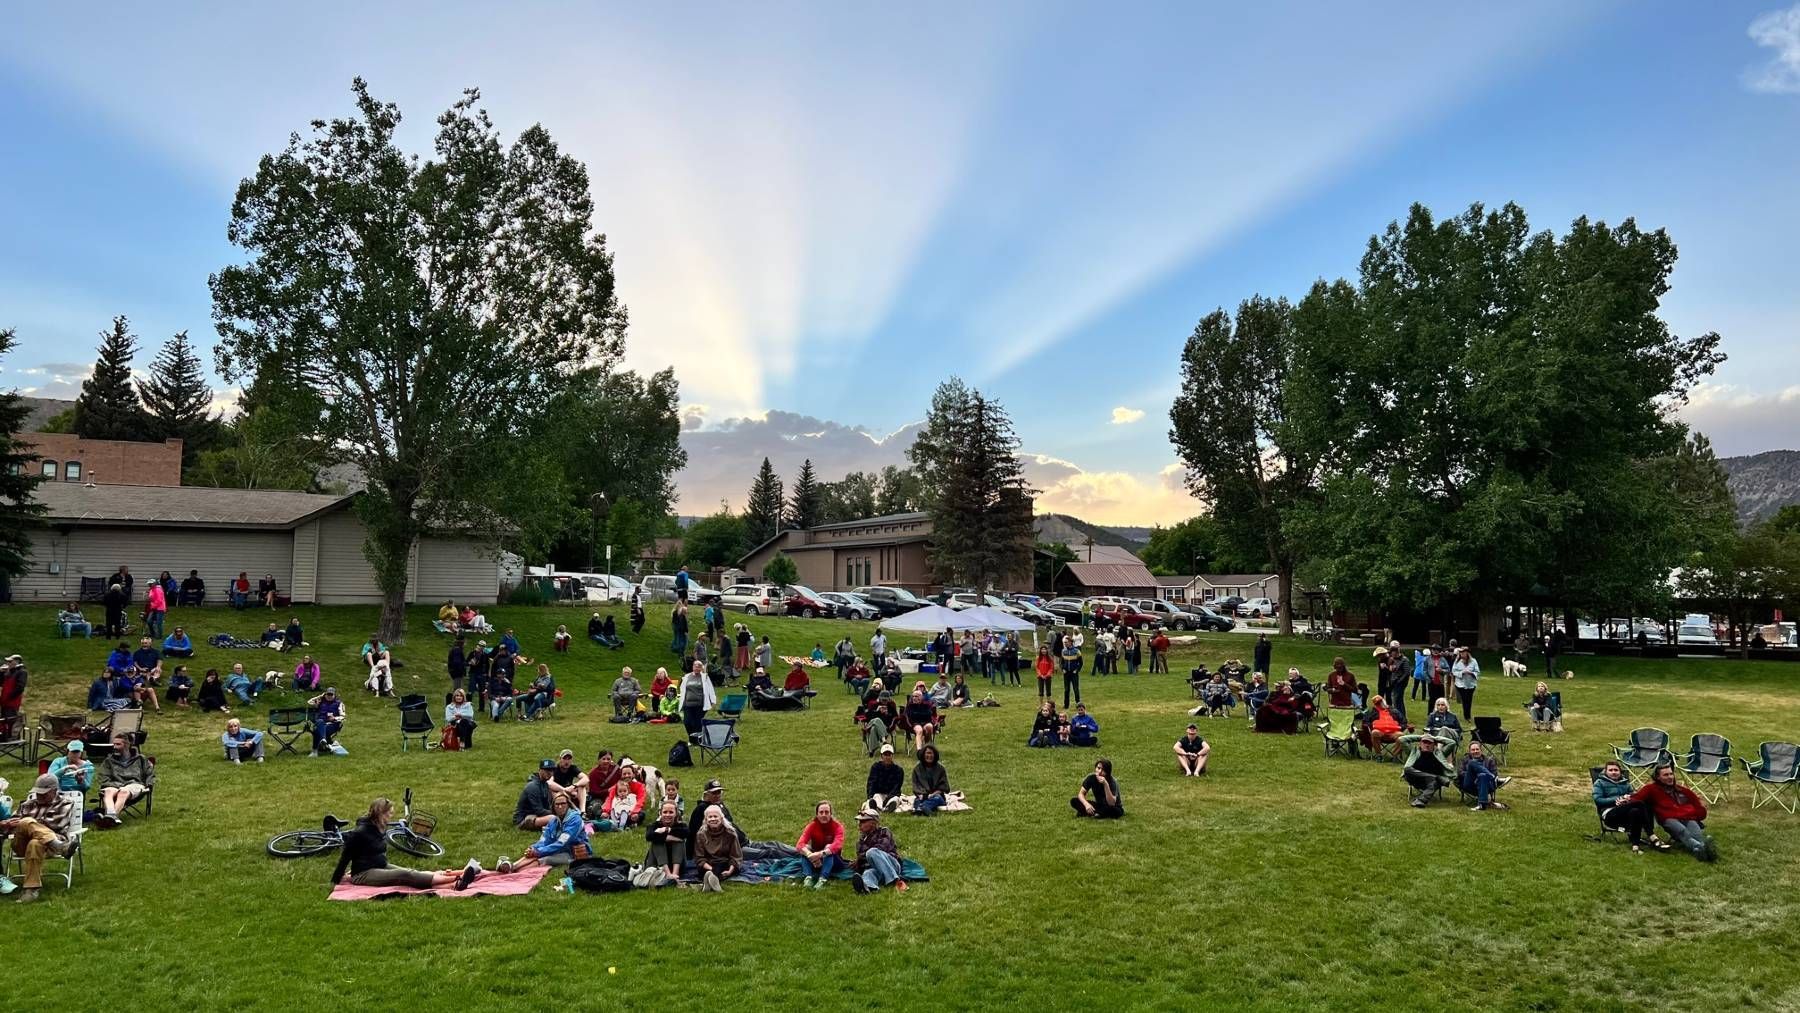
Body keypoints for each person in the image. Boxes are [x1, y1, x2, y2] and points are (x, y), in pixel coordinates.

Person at [331, 797, 483, 891]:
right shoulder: (361, 832)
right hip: (363, 874)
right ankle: (458, 878)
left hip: (379, 866)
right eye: (389, 814)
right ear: (380, 814)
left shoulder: (379, 827)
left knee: (411, 872)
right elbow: (346, 856)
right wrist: (336, 879)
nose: (391, 817)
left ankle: (454, 885)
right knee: (405, 875)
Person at [0, 774, 78, 903]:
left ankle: (31, 890)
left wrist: (26, 822)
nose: (39, 796)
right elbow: (13, 827)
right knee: (26, 823)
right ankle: (60, 846)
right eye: (38, 793)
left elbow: (55, 825)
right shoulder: (26, 804)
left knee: (35, 843)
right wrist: (7, 824)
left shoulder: (65, 804)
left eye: (44, 793)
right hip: (21, 844)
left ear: (54, 791)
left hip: (47, 846)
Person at [1628, 764, 1716, 861]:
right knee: (1683, 831)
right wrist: (1625, 799)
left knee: (1696, 832)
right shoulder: (1651, 789)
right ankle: (1702, 848)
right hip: (1668, 819)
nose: (1670, 777)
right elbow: (1636, 799)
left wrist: (1698, 815)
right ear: (1658, 777)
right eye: (1665, 775)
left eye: (1671, 774)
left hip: (1688, 817)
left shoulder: (1682, 790)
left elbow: (1698, 807)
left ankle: (1701, 850)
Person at [1594, 760, 1666, 853]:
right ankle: (1652, 836)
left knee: (1636, 810)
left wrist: (1628, 799)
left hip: (1626, 812)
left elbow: (1633, 795)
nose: (1613, 772)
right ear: (1606, 772)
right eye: (1610, 770)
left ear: (1620, 772)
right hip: (1610, 814)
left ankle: (1635, 846)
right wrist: (1617, 800)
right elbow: (1598, 800)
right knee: (1640, 804)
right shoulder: (1600, 783)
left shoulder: (1625, 783)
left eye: (1616, 770)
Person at [509, 792, 593, 872]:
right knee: (534, 852)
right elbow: (544, 840)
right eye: (557, 804)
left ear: (568, 805)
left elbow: (562, 843)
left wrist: (539, 852)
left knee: (545, 859)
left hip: (573, 854)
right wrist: (534, 848)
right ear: (553, 806)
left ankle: (517, 871)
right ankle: (513, 866)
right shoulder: (553, 821)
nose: (560, 807)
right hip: (558, 849)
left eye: (563, 804)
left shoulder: (575, 820)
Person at [96, 733, 154, 825]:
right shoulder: (109, 761)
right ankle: (111, 817)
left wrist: (149, 785)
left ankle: (110, 817)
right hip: (114, 784)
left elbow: (149, 773)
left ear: (127, 745)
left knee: (123, 792)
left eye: (118, 744)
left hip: (134, 784)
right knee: (108, 792)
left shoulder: (140, 759)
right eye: (114, 744)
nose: (114, 747)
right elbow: (103, 778)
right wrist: (117, 785)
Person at [850, 806, 906, 894]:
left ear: (873, 823)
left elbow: (881, 848)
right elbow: (862, 860)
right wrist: (860, 860)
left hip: (892, 864)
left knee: (872, 852)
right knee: (868, 873)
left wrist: (861, 858)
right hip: (874, 867)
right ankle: (868, 887)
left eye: (863, 821)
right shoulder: (860, 842)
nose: (859, 824)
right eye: (859, 821)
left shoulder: (884, 832)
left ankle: (895, 880)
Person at [796, 800, 846, 888]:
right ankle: (808, 877)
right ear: (817, 814)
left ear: (831, 814)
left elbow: (837, 845)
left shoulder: (838, 827)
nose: (824, 815)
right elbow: (800, 844)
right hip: (815, 861)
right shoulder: (812, 826)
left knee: (829, 847)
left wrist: (820, 854)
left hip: (834, 861)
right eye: (821, 812)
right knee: (805, 848)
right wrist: (810, 855)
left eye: (826, 812)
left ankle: (823, 879)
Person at [692, 804, 742, 891]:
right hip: (707, 865)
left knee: (721, 868)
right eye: (710, 817)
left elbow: (736, 855)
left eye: (715, 816)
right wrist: (712, 869)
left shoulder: (730, 833)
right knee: (707, 870)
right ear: (706, 820)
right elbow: (699, 857)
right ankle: (715, 884)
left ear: (721, 818)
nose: (713, 819)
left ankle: (707, 884)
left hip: (724, 863)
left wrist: (730, 871)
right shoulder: (701, 834)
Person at [1400, 733, 1455, 806]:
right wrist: (1420, 737)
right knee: (1407, 769)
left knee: (1434, 782)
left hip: (1431, 783)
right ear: (1420, 743)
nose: (1427, 745)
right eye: (1424, 742)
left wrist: (1434, 738)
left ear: (1434, 745)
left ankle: (1421, 800)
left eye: (1430, 743)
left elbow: (1452, 743)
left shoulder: (1440, 753)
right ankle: (1432, 777)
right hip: (1416, 779)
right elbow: (1402, 739)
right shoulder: (1413, 751)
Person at [1459, 741, 1509, 812]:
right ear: (1469, 751)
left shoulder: (1489, 760)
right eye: (1473, 750)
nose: (1475, 751)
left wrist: (1480, 776)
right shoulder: (1465, 760)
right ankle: (1494, 778)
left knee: (1482, 776)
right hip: (1470, 784)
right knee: (1472, 763)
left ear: (1481, 750)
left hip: (1486, 785)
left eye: (1477, 749)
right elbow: (1460, 772)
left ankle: (1482, 805)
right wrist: (1474, 775)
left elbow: (1494, 773)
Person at [644, 801, 688, 878]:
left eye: (671, 812)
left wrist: (668, 830)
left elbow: (686, 833)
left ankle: (675, 874)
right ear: (660, 813)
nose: (668, 815)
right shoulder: (654, 826)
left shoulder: (682, 826)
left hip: (678, 864)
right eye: (665, 812)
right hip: (656, 865)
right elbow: (649, 836)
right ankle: (667, 874)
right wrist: (667, 838)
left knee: (679, 842)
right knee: (657, 842)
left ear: (676, 814)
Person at [677, 661, 717, 739]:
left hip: (700, 705)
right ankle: (691, 738)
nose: (696, 668)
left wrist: (713, 700)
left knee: (697, 723)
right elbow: (682, 689)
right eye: (695, 666)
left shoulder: (705, 677)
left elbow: (710, 689)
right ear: (692, 667)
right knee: (687, 722)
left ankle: (698, 740)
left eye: (699, 666)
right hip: (687, 705)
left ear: (701, 668)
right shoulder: (687, 677)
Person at [514, 760, 557, 830]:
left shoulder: (545, 784)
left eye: (551, 770)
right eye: (546, 770)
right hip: (524, 819)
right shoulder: (533, 786)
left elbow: (546, 806)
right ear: (539, 770)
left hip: (536, 815)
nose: (549, 772)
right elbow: (539, 810)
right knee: (553, 818)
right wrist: (558, 813)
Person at [307, 687, 348, 756]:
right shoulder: (320, 701)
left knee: (317, 731)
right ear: (325, 694)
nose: (329, 696)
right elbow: (309, 702)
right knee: (320, 722)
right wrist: (320, 696)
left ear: (334, 695)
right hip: (321, 723)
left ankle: (315, 751)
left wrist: (334, 718)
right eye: (327, 694)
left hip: (332, 725)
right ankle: (325, 741)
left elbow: (343, 716)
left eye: (331, 695)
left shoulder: (339, 703)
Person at [856, 691, 899, 756]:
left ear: (889, 699)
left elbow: (896, 718)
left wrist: (887, 714)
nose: (884, 701)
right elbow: (868, 717)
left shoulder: (891, 706)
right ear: (879, 698)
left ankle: (871, 751)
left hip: (885, 728)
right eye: (883, 699)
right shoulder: (874, 705)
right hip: (879, 729)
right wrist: (877, 711)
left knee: (873, 728)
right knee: (876, 722)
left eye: (886, 700)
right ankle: (883, 741)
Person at [911, 744, 951, 814]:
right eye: (927, 753)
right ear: (923, 754)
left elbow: (944, 787)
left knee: (937, 798)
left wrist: (932, 795)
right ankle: (922, 808)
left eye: (931, 753)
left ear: (935, 755)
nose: (929, 756)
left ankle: (922, 807)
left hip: (936, 796)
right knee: (917, 800)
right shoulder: (917, 769)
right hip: (922, 796)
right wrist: (924, 796)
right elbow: (916, 786)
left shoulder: (941, 769)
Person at [866, 743, 904, 811]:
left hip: (892, 795)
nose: (887, 757)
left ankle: (889, 807)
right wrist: (870, 796)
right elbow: (871, 783)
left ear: (892, 756)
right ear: (881, 756)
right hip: (879, 793)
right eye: (885, 755)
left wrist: (888, 798)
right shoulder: (875, 767)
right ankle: (877, 806)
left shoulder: (898, 770)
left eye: (889, 755)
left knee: (895, 799)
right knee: (876, 797)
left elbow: (897, 787)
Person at [1452, 646, 1480, 721]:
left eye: (1463, 652)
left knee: (1469, 699)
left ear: (1467, 653)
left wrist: (1472, 673)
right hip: (1460, 684)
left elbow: (1477, 671)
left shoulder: (1473, 661)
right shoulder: (1457, 661)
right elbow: (1454, 671)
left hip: (1471, 684)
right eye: (1460, 653)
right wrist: (1461, 673)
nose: (1462, 654)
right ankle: (1466, 716)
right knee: (1465, 699)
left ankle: (1468, 715)